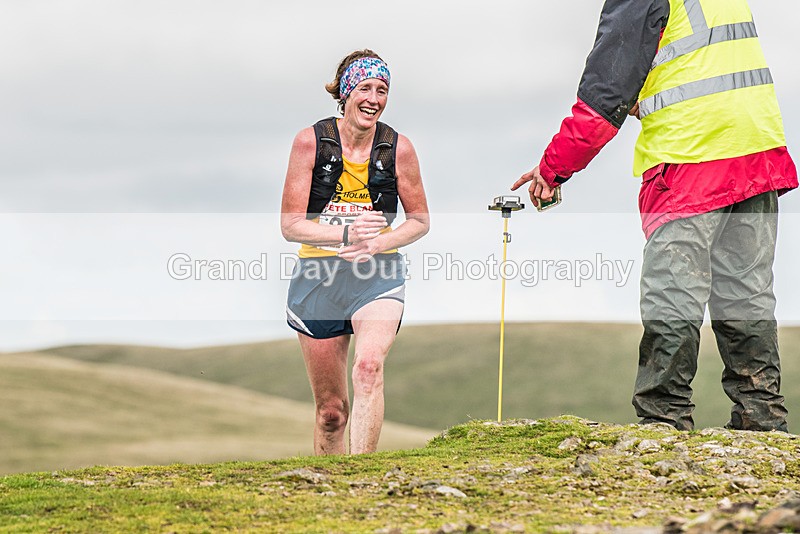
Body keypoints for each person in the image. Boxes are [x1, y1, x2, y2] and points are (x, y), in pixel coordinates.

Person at [512, 0, 797, 431]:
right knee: (747, 293)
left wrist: (553, 168)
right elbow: (694, 60)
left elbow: (605, 95)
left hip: (691, 153)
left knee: (672, 294)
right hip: (756, 148)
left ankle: (665, 421)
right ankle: (762, 418)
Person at [280, 50, 430, 454]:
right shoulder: (310, 142)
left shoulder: (398, 148)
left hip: (377, 275)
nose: (374, 99)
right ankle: (332, 495)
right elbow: (290, 225)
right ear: (345, 93)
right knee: (331, 413)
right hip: (318, 277)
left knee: (367, 368)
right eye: (365, 88)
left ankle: (363, 483)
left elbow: (419, 221)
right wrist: (346, 234)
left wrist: (379, 242)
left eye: (382, 90)